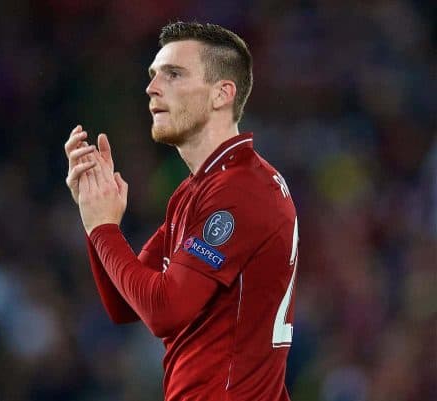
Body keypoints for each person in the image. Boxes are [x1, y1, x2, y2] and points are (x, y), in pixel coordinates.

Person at [64, 21, 298, 401]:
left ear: (222, 94)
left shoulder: (238, 192)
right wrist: (95, 215)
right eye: (154, 75)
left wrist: (104, 227)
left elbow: (164, 312)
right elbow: (126, 305)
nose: (152, 87)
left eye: (173, 74)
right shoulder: (201, 188)